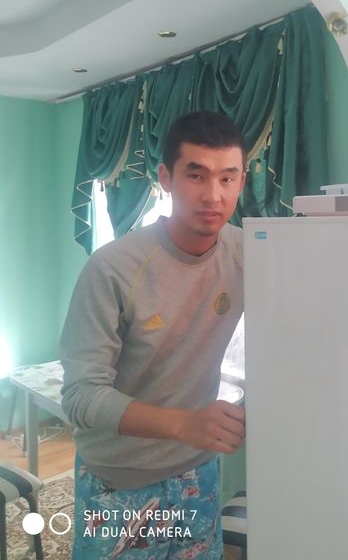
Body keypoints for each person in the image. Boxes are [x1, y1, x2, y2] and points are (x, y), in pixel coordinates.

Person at [60, 110, 247, 559]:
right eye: (196, 175)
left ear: (242, 181)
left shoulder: (249, 252)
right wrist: (185, 424)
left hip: (198, 469)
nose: (213, 195)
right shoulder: (112, 268)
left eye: (227, 178)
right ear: (165, 178)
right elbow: (81, 396)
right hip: (119, 477)